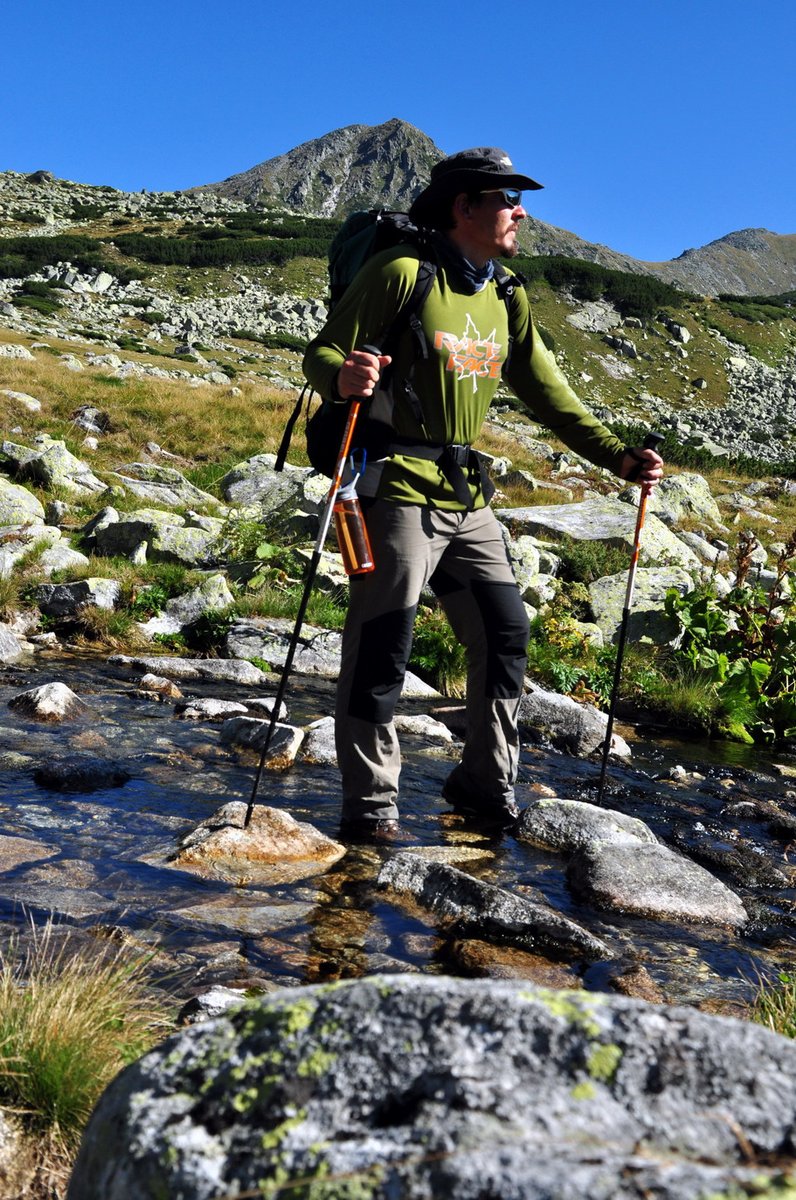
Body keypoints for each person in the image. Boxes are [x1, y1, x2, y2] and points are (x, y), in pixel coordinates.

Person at [302, 146, 663, 841]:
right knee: (383, 648)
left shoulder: (505, 294)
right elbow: (322, 351)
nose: (520, 211)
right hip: (397, 493)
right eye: (506, 199)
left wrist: (618, 458)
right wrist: (341, 376)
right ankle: (371, 806)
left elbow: (551, 393)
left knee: (505, 632)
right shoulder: (402, 274)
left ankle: (483, 784)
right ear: (465, 206)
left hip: (468, 500)